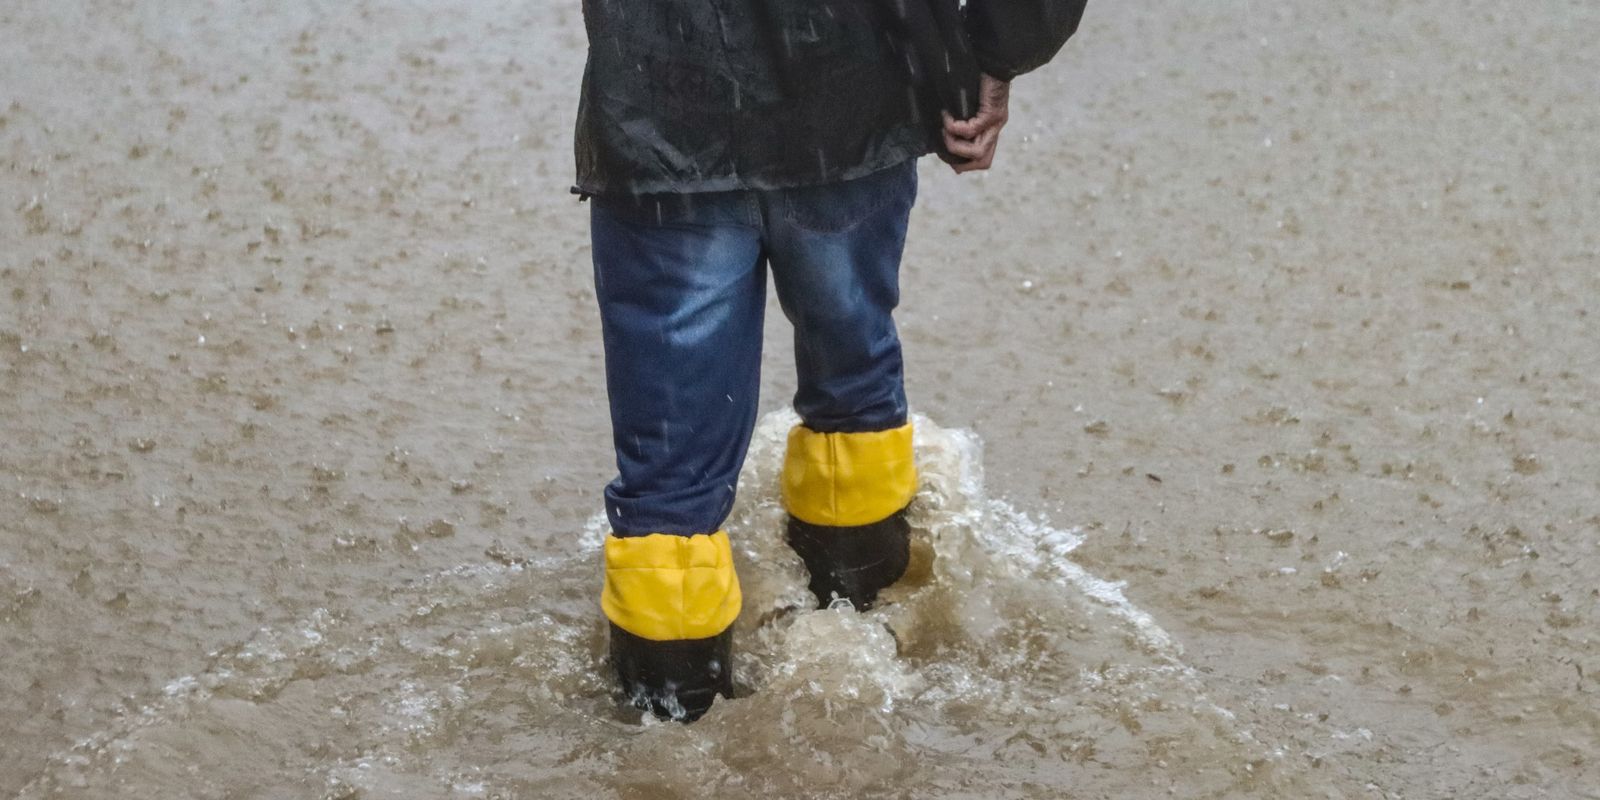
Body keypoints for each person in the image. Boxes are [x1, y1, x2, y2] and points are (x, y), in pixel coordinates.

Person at [575, 0, 1085, 722]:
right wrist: (992, 51)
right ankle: (864, 637)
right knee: (853, 392)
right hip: (852, 94)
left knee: (669, 484)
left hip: (660, 110)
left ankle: (662, 731)